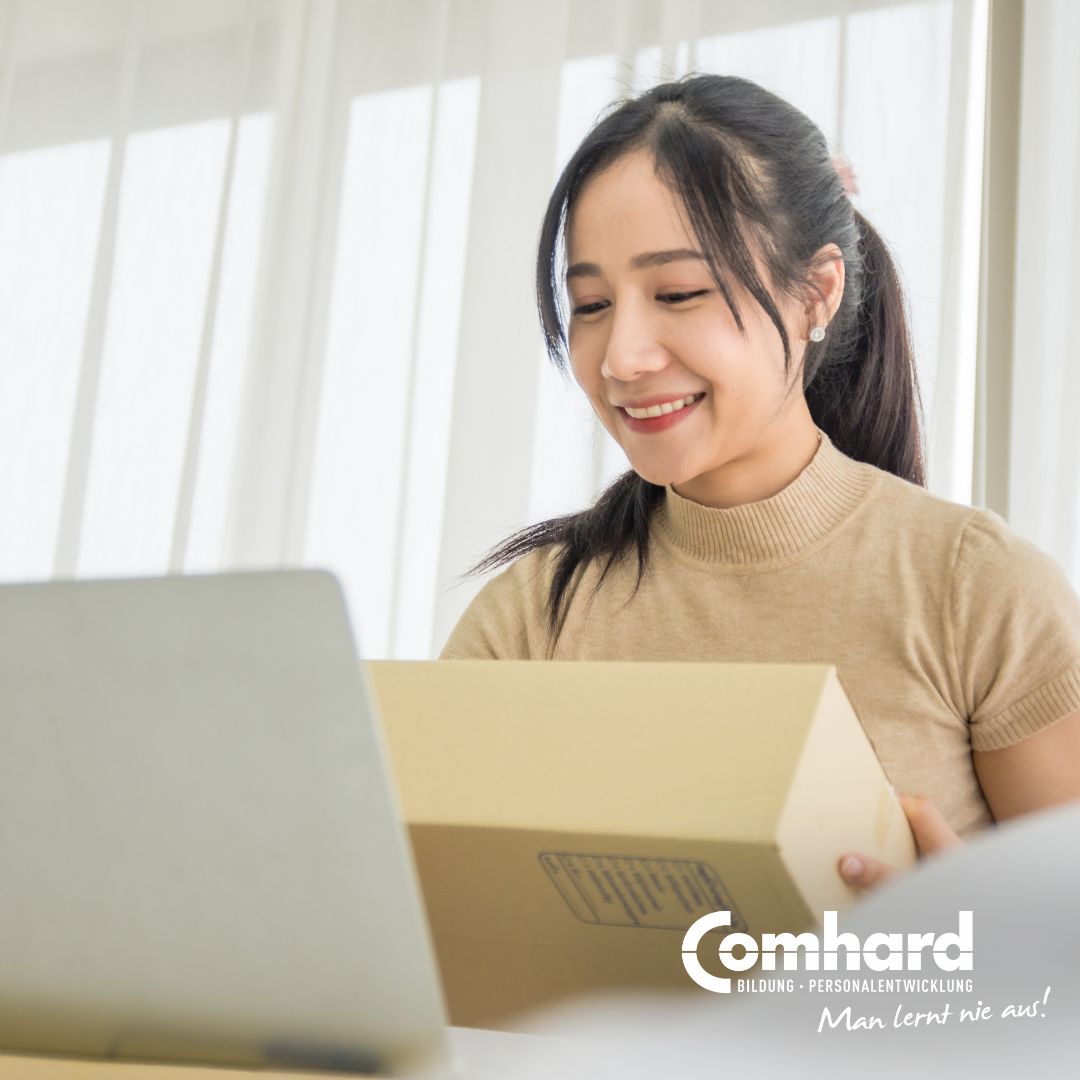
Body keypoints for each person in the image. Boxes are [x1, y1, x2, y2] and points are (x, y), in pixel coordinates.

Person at [439, 74, 1080, 885]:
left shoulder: (975, 587)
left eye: (678, 292)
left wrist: (967, 953)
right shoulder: (535, 616)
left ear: (816, 292)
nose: (622, 357)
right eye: (593, 304)